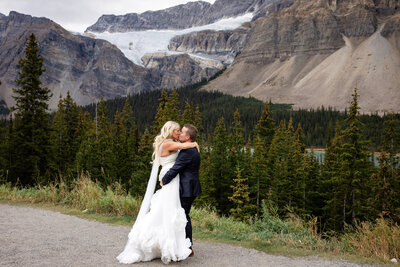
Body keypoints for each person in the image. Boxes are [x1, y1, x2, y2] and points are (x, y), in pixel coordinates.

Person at [116, 121, 199, 264]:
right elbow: (184, 148)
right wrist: (195, 144)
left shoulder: (171, 143)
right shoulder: (168, 144)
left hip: (176, 182)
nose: (179, 133)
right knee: (169, 212)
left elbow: (182, 155)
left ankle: (177, 244)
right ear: (170, 131)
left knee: (171, 212)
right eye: (177, 130)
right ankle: (174, 245)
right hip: (171, 179)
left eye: (181, 131)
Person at [160, 123, 201, 256]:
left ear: (188, 137)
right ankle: (183, 245)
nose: (180, 134)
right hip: (189, 187)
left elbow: (176, 168)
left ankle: (188, 248)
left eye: (182, 132)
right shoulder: (189, 148)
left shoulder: (188, 152)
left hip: (187, 188)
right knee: (182, 215)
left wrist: (164, 180)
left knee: (183, 216)